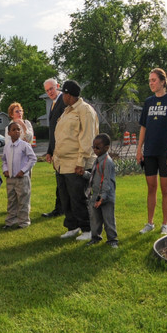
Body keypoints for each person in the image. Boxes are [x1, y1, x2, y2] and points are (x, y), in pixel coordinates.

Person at [136, 68, 167, 236]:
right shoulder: (148, 102)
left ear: (163, 82)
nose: (151, 83)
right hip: (149, 152)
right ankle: (149, 223)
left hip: (165, 152)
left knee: (165, 189)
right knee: (151, 188)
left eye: (154, 80)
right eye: (150, 80)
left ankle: (165, 224)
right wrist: (139, 149)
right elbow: (143, 127)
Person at [52, 80, 98, 242]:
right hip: (62, 164)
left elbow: (87, 138)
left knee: (79, 197)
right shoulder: (67, 111)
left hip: (76, 163)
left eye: (63, 93)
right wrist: (55, 157)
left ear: (69, 95)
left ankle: (87, 228)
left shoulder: (85, 111)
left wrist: (81, 162)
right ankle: (72, 226)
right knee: (66, 198)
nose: (62, 96)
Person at [2, 120, 37, 229]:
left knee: (23, 200)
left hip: (22, 178)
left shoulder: (24, 145)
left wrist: (23, 170)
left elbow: (33, 158)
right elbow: (4, 160)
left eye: (18, 129)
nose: (17, 131)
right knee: (11, 200)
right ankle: (10, 221)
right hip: (10, 178)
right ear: (9, 133)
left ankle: (23, 222)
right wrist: (5, 170)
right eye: (14, 130)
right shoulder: (7, 147)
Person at [86, 134, 118, 248]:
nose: (95, 149)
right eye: (93, 147)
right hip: (96, 195)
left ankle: (112, 240)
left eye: (97, 147)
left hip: (106, 197)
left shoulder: (107, 162)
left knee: (108, 219)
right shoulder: (97, 160)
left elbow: (107, 182)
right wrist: (84, 174)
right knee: (95, 219)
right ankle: (95, 237)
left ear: (106, 148)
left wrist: (102, 198)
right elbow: (94, 177)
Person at [41, 79, 67, 218]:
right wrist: (49, 151)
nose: (50, 92)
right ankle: (60, 208)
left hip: (64, 148)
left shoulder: (64, 100)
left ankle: (61, 209)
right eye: (47, 90)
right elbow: (52, 131)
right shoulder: (53, 104)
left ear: (58, 86)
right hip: (56, 149)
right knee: (60, 181)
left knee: (64, 181)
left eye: (52, 88)